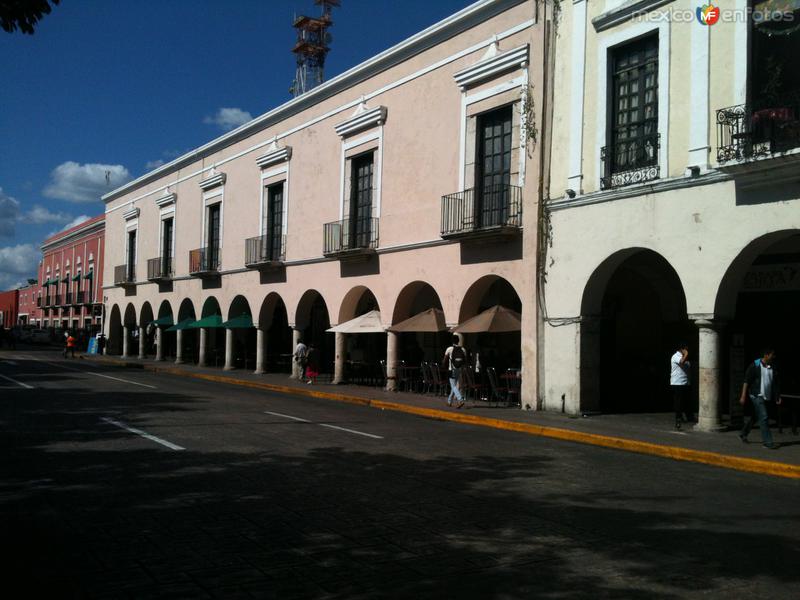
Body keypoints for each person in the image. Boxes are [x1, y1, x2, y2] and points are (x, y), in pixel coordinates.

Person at [739, 347, 781, 449]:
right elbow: (746, 381)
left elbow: (775, 383)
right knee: (764, 417)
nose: (773, 357)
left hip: (767, 396)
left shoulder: (773, 366)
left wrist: (777, 396)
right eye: (772, 354)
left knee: (756, 416)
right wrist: (743, 396)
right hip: (756, 395)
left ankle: (743, 433)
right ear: (766, 355)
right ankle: (767, 443)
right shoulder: (755, 365)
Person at [670, 342, 691, 430]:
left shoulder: (684, 356)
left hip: (685, 382)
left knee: (685, 401)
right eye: (686, 348)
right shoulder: (676, 356)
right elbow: (682, 362)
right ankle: (678, 418)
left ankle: (687, 416)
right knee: (678, 401)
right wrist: (686, 354)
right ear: (681, 349)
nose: (687, 350)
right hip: (677, 383)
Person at [443, 334, 467, 408]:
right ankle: (449, 401)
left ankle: (460, 400)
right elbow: (465, 361)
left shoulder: (449, 349)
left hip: (452, 369)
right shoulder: (463, 349)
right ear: (458, 341)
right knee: (454, 385)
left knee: (453, 386)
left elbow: (444, 360)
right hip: (459, 369)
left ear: (452, 341)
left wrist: (443, 366)